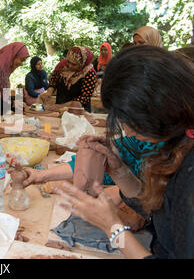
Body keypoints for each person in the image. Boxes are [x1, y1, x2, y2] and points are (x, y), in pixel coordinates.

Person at [54, 45, 194, 258]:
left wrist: (112, 228)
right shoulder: (177, 141)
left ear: (158, 106)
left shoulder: (189, 172)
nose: (126, 130)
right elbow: (160, 214)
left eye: (131, 119)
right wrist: (119, 170)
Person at [38, 46, 97, 112]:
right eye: (68, 62)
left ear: (82, 64)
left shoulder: (89, 73)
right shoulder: (62, 66)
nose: (69, 66)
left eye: (74, 64)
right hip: (59, 109)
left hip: (78, 112)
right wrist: (49, 92)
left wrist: (61, 106)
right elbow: (54, 80)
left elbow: (84, 98)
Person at [0, 42, 30, 115]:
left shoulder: (5, 72)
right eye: (21, 60)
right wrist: (12, 103)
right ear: (12, 56)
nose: (22, 64)